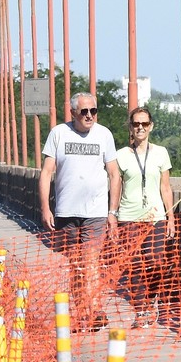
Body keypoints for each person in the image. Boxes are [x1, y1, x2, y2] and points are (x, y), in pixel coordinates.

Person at [39, 93, 119, 325]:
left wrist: (112, 212)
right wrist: (46, 207)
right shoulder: (59, 133)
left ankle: (93, 310)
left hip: (95, 212)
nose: (89, 116)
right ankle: (83, 309)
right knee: (75, 264)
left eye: (93, 111)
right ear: (73, 112)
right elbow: (46, 173)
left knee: (91, 261)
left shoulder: (104, 134)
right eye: (84, 111)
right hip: (66, 211)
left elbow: (114, 174)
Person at [114, 105, 175, 317]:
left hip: (155, 216)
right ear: (130, 128)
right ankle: (141, 309)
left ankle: (151, 298)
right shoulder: (120, 155)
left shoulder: (161, 153)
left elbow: (165, 187)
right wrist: (112, 215)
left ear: (151, 127)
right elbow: (115, 185)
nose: (140, 128)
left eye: (144, 124)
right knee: (134, 264)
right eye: (136, 124)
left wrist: (171, 218)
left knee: (156, 261)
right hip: (129, 216)